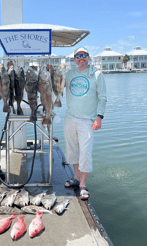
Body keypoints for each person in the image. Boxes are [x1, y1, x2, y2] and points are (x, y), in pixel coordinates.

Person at [64, 47, 107, 200]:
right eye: (77, 56)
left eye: (83, 55)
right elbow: (55, 85)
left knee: (85, 152)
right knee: (72, 150)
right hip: (70, 118)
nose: (80, 58)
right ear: (74, 59)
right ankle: (76, 177)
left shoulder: (97, 74)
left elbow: (102, 97)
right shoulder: (69, 74)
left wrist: (99, 117)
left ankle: (83, 184)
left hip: (87, 120)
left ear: (88, 57)